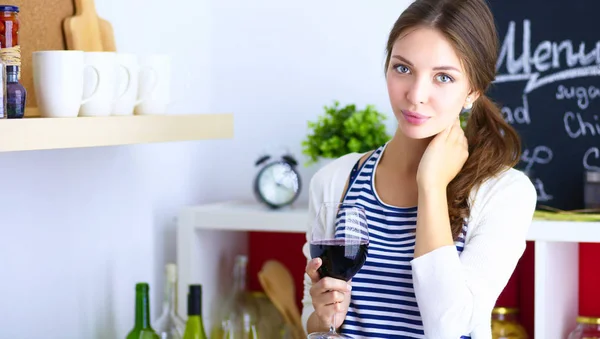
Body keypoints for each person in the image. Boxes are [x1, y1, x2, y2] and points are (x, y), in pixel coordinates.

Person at [301, 0, 538, 338]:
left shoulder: (505, 194)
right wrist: (323, 314)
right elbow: (312, 317)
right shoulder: (335, 181)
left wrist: (431, 186)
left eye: (443, 77)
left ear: (472, 90)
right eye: (402, 68)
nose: (416, 95)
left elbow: (449, 327)